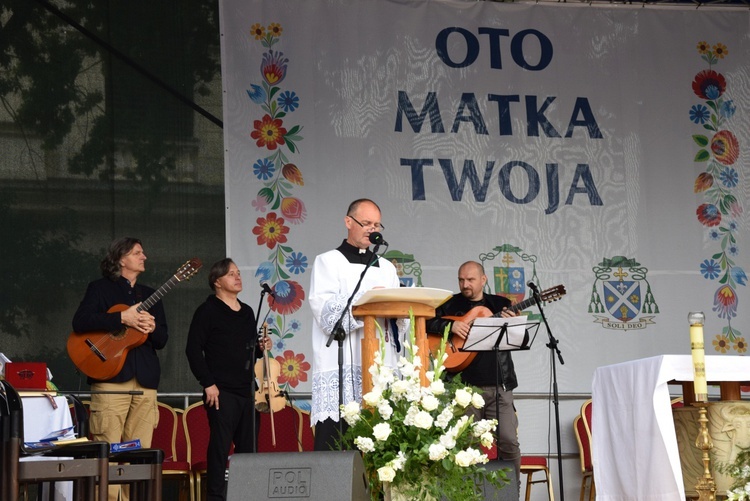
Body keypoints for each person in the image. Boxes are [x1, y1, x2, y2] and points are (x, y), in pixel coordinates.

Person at [71, 237, 168, 501]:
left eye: (143, 251)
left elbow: (162, 340)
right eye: (137, 252)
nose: (144, 256)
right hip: (110, 377)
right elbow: (80, 322)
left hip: (145, 381)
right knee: (109, 450)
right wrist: (120, 318)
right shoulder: (100, 289)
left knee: (140, 454)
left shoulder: (151, 295)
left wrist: (152, 328)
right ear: (121, 258)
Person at [308, 198, 406, 451]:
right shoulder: (328, 261)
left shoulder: (386, 267)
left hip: (379, 365)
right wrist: (366, 301)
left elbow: (398, 320)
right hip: (341, 363)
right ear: (348, 222)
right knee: (338, 447)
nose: (372, 229)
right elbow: (324, 310)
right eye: (366, 223)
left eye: (377, 224)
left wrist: (398, 309)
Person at [425, 260, 522, 488]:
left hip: (500, 385)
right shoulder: (449, 304)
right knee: (467, 445)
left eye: (470, 280)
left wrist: (513, 323)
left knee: (509, 440)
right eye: (461, 280)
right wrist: (449, 327)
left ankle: (511, 491)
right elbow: (427, 321)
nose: (465, 284)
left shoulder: (500, 304)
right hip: (464, 389)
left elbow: (518, 338)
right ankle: (468, 492)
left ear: (483, 280)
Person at [185, 258, 272, 501]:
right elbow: (193, 349)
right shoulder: (207, 311)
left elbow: (246, 350)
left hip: (247, 390)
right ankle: (215, 496)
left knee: (248, 450)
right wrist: (208, 383)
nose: (238, 277)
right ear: (217, 282)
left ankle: (245, 495)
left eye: (238, 272)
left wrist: (260, 347)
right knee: (220, 447)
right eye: (231, 273)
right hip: (221, 390)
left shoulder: (246, 312)